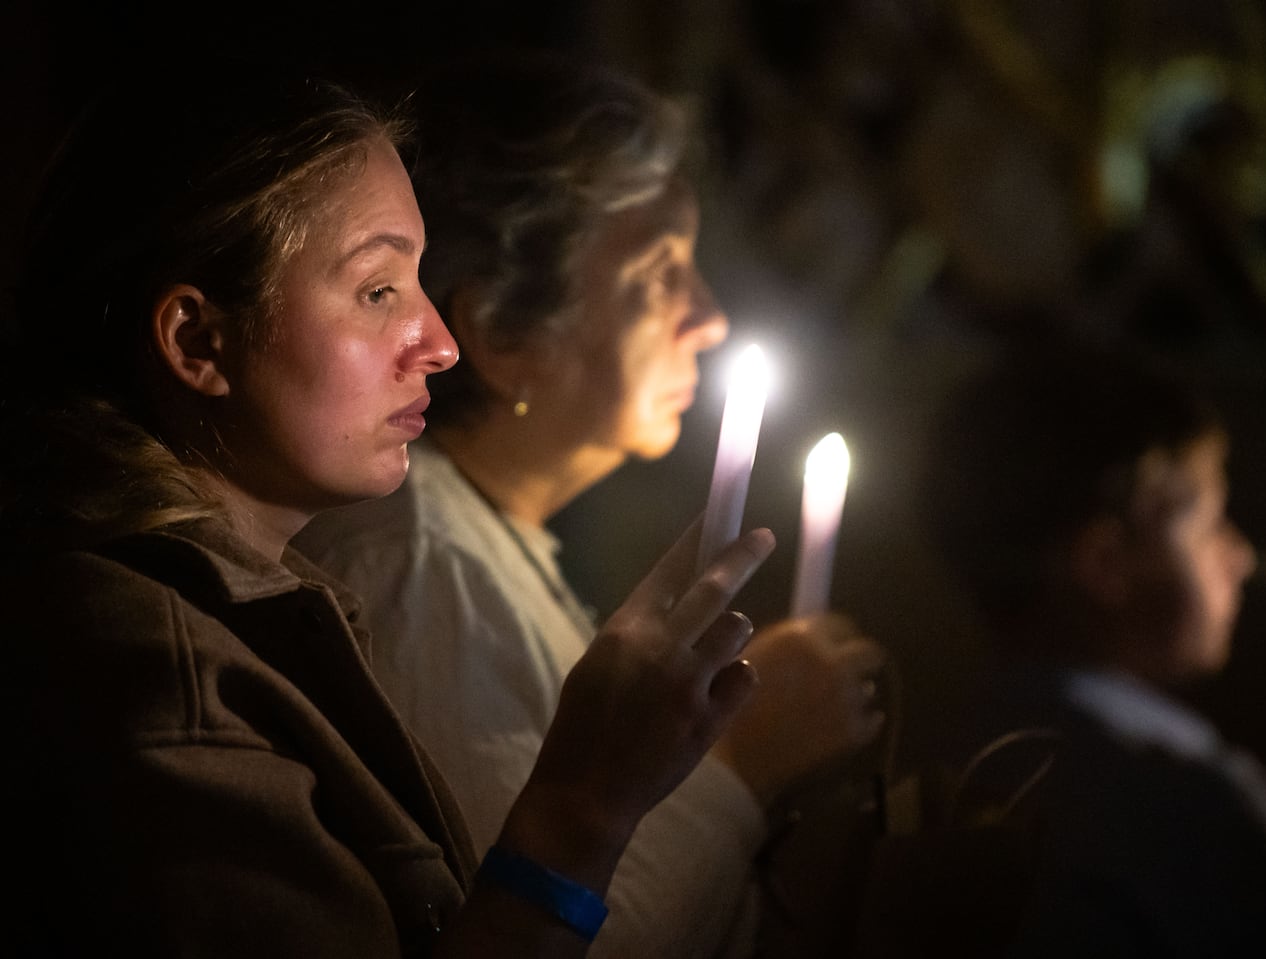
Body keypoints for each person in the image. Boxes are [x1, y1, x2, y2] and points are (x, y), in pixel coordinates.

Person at [0, 60, 779, 958]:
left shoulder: (263, 617)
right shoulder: (160, 691)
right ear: (197, 340)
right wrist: (582, 806)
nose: (442, 343)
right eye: (380, 292)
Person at [293, 52, 889, 959]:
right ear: (500, 333)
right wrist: (744, 767)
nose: (711, 317)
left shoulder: (482, 545)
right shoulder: (412, 565)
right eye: (659, 276)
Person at [852, 339, 1266, 957]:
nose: (1239, 555)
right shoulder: (1189, 803)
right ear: (1106, 564)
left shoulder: (922, 772)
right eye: (1209, 522)